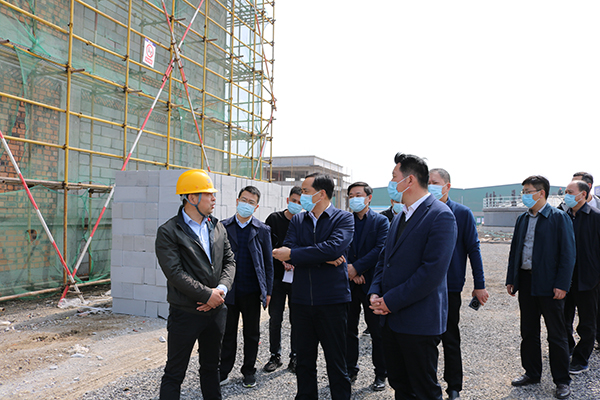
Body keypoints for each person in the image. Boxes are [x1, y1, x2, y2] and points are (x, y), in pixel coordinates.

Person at [369, 153, 457, 400]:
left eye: (394, 177)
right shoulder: (400, 216)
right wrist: (375, 291)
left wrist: (389, 301)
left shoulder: (440, 215)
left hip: (419, 322)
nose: (391, 182)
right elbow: (384, 259)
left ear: (409, 181)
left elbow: (431, 273)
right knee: (401, 385)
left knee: (424, 389)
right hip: (392, 320)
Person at [155, 169, 236, 400]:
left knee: (211, 368)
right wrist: (206, 295)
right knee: (175, 372)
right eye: (208, 194)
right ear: (192, 197)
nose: (214, 198)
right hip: (186, 313)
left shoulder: (217, 227)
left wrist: (220, 291)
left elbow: (230, 261)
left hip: (216, 310)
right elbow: (175, 273)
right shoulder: (169, 231)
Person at [273, 173, 353, 400]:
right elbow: (287, 251)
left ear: (322, 193)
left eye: (306, 191)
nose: (302, 196)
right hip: (301, 301)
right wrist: (323, 256)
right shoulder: (298, 220)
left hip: (332, 301)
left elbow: (334, 248)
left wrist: (299, 254)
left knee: (336, 361)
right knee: (304, 361)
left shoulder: (343, 218)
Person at [506, 175, 575, 400]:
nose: (524, 196)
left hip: (550, 284)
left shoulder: (559, 218)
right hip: (526, 282)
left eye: (528, 192)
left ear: (541, 193)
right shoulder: (522, 219)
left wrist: (562, 285)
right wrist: (511, 278)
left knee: (556, 334)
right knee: (528, 331)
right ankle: (532, 373)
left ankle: (562, 381)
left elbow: (568, 255)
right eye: (523, 192)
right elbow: (515, 250)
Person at [428, 168, 489, 400]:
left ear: (447, 186)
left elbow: (473, 249)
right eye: (428, 182)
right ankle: (428, 384)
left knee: (450, 338)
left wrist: (479, 284)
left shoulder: (462, 213)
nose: (431, 186)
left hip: (450, 287)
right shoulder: (423, 211)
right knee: (426, 340)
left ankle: (454, 386)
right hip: (424, 287)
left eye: (435, 182)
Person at [220, 186, 273, 388]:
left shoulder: (262, 230)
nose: (246, 204)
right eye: (244, 200)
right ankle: (224, 370)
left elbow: (268, 263)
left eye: (251, 202)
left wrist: (268, 291)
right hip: (228, 291)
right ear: (237, 201)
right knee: (228, 333)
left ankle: (249, 371)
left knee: (251, 334)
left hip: (252, 291)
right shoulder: (222, 227)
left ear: (256, 206)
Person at [345, 182, 389, 391]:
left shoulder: (381, 221)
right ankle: (350, 369)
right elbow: (339, 245)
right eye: (351, 195)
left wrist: (357, 268)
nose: (354, 198)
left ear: (369, 198)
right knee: (348, 330)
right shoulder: (344, 220)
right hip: (348, 283)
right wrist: (350, 270)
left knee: (377, 332)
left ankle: (381, 373)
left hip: (372, 284)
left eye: (358, 195)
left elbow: (380, 248)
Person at [263, 186, 302, 374]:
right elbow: (266, 245)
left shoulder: (304, 221)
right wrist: (282, 260)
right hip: (277, 278)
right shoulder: (274, 219)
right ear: (288, 200)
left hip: (297, 278)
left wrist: (294, 260)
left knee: (297, 319)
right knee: (275, 318)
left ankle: (295, 356)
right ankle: (274, 356)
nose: (296, 204)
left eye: (300, 202)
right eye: (294, 201)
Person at [562, 180, 600, 374]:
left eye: (570, 192)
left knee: (587, 322)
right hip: (564, 279)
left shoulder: (596, 217)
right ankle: (567, 349)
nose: (566, 195)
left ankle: (581, 359)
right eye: (565, 192)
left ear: (583, 194)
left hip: (588, 279)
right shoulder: (562, 216)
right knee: (563, 319)